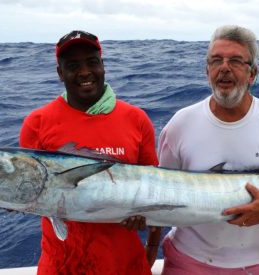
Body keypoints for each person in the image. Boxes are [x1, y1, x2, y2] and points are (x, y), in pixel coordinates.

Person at [157, 25, 259, 274]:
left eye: (235, 61)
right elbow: (161, 192)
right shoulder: (179, 124)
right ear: (207, 71)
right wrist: (150, 244)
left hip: (257, 264)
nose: (224, 67)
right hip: (188, 260)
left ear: (252, 74)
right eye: (216, 61)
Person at [19, 30, 161, 275]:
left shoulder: (136, 119)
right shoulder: (37, 122)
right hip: (62, 267)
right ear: (60, 73)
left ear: (103, 66)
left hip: (126, 266)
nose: (85, 72)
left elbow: (154, 188)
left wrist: (149, 241)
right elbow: (29, 191)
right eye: (73, 66)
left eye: (92, 62)